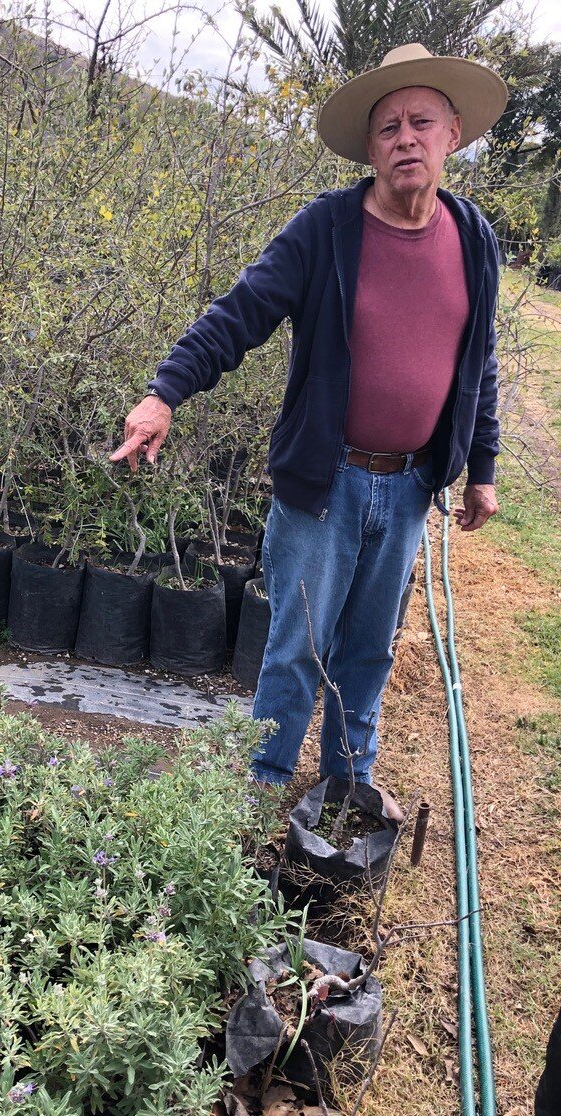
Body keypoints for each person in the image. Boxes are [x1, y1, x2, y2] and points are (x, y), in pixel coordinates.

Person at [110, 44, 508, 812]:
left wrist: (481, 466)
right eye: (387, 126)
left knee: (368, 651)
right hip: (323, 485)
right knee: (297, 649)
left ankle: (346, 784)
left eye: (420, 121)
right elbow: (240, 314)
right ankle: (261, 790)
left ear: (452, 134)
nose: (404, 138)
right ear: (370, 147)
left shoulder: (474, 238)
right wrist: (165, 393)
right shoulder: (326, 229)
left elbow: (478, 362)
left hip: (410, 485)